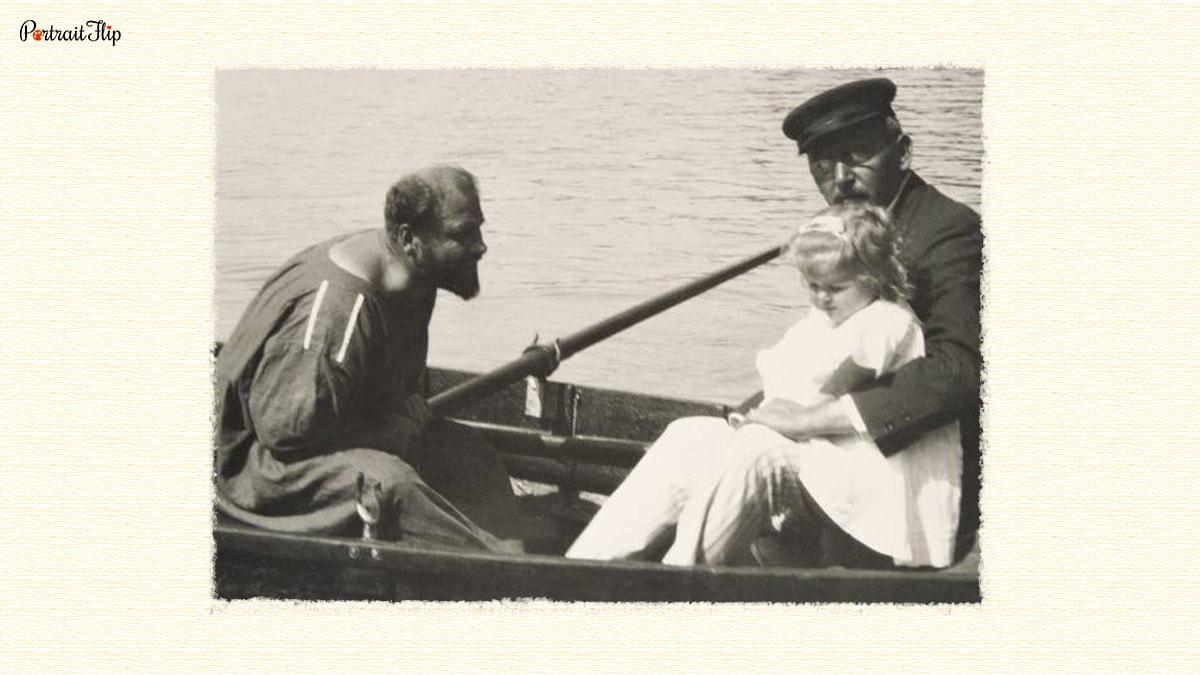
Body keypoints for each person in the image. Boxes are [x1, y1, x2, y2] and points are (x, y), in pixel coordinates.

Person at [567, 203, 962, 567]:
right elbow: (787, 387)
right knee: (689, 435)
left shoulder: (885, 322)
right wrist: (753, 417)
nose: (822, 298)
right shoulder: (828, 319)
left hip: (869, 483)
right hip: (823, 458)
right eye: (812, 285)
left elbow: (825, 396)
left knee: (758, 449)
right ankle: (582, 567)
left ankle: (681, 576)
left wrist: (768, 423)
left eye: (835, 288)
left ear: (873, 278)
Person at [214, 165, 523, 553]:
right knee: (391, 487)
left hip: (331, 435)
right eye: (462, 234)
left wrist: (400, 423)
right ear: (411, 239)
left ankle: (513, 559)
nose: (481, 246)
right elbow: (288, 433)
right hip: (252, 471)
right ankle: (505, 578)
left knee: (470, 455)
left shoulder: (414, 277)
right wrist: (389, 434)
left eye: (478, 228)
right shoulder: (339, 308)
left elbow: (397, 390)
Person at [767, 77, 984, 565]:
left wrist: (809, 420)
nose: (839, 177)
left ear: (902, 152)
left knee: (744, 460)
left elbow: (959, 373)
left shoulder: (950, 231)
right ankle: (597, 569)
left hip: (904, 471)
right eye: (822, 164)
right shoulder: (840, 233)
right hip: (839, 449)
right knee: (690, 440)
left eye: (857, 154)